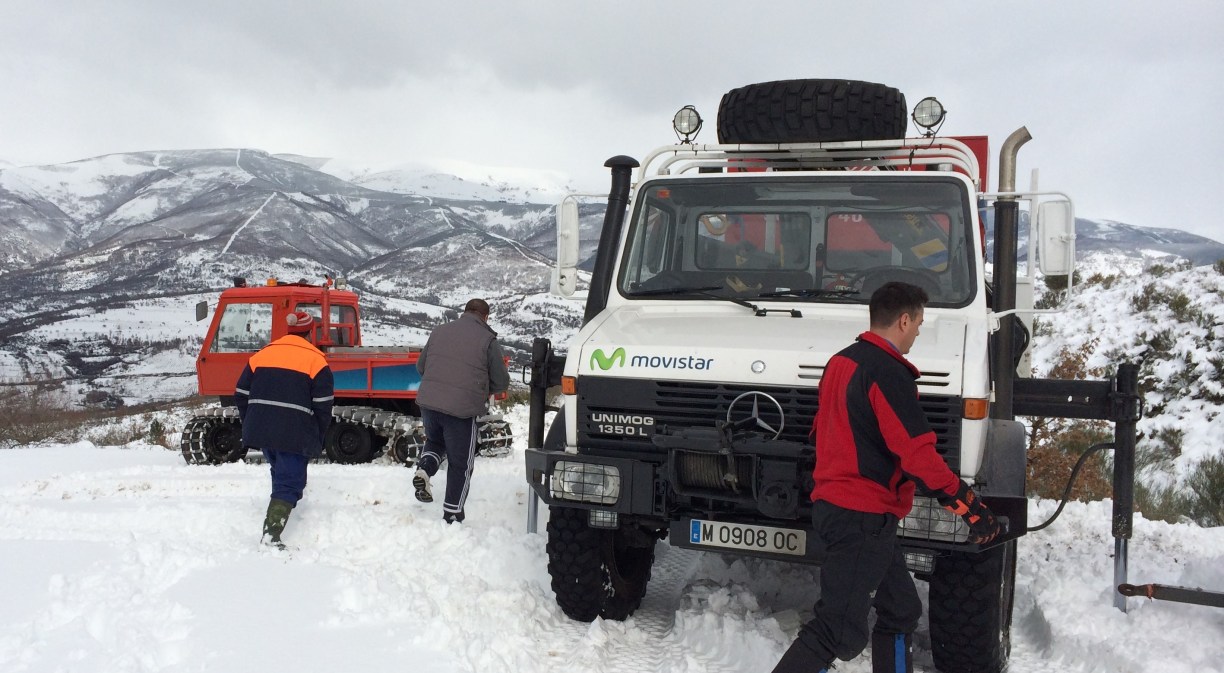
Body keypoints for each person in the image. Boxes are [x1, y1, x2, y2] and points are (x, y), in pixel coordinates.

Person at [772, 281, 1001, 673]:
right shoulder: (889, 374)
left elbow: (821, 432)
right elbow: (917, 455)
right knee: (837, 630)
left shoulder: (841, 362)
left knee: (901, 609)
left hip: (843, 511)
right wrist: (970, 506)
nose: (917, 333)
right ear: (904, 319)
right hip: (861, 515)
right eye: (918, 324)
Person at [234, 310, 334, 549]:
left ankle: (281, 507)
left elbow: (240, 394)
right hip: (294, 432)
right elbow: (323, 407)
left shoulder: (263, 354)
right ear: (310, 333)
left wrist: (251, 422)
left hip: (263, 429)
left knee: (281, 473)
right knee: (289, 481)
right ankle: (271, 536)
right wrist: (317, 436)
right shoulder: (316, 360)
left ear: (289, 330)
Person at [413, 298, 510, 523]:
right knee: (461, 464)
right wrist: (482, 391)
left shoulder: (439, 331)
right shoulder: (487, 339)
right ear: (485, 316)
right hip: (461, 410)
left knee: (435, 443)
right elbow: (501, 381)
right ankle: (453, 514)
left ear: (464, 312)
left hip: (429, 404)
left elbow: (421, 366)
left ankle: (424, 471)